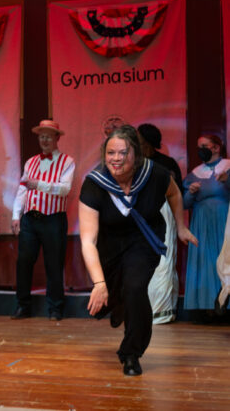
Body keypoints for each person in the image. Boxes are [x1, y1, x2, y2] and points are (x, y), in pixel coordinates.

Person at [79, 125, 197, 376]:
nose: (117, 159)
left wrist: (181, 227)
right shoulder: (94, 184)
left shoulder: (154, 174)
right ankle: (120, 302)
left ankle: (131, 353)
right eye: (111, 153)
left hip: (144, 237)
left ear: (136, 153)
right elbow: (88, 240)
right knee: (119, 292)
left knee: (135, 286)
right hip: (110, 244)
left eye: (123, 152)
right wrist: (99, 283)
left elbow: (174, 193)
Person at [11, 120, 75, 321]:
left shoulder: (67, 162)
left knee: (54, 264)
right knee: (24, 263)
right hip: (30, 218)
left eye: (48, 136)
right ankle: (23, 306)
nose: (44, 139)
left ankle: (55, 308)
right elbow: (22, 189)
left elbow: (64, 189)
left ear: (57, 138)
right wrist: (16, 215)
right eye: (41, 136)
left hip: (53, 219)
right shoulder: (30, 162)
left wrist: (38, 184)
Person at [137, 124, 182, 324]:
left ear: (147, 140)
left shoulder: (167, 163)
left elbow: (177, 193)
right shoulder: (135, 163)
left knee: (164, 262)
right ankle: (144, 310)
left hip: (163, 212)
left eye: (139, 137)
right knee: (142, 262)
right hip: (140, 213)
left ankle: (162, 312)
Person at [182, 135, 230, 317]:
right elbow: (185, 204)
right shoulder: (195, 172)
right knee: (206, 261)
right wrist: (191, 193)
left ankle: (226, 305)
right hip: (202, 223)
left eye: (204, 146)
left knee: (226, 259)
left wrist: (228, 181)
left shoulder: (227, 166)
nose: (201, 149)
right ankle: (207, 307)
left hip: (225, 219)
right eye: (198, 146)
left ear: (216, 148)